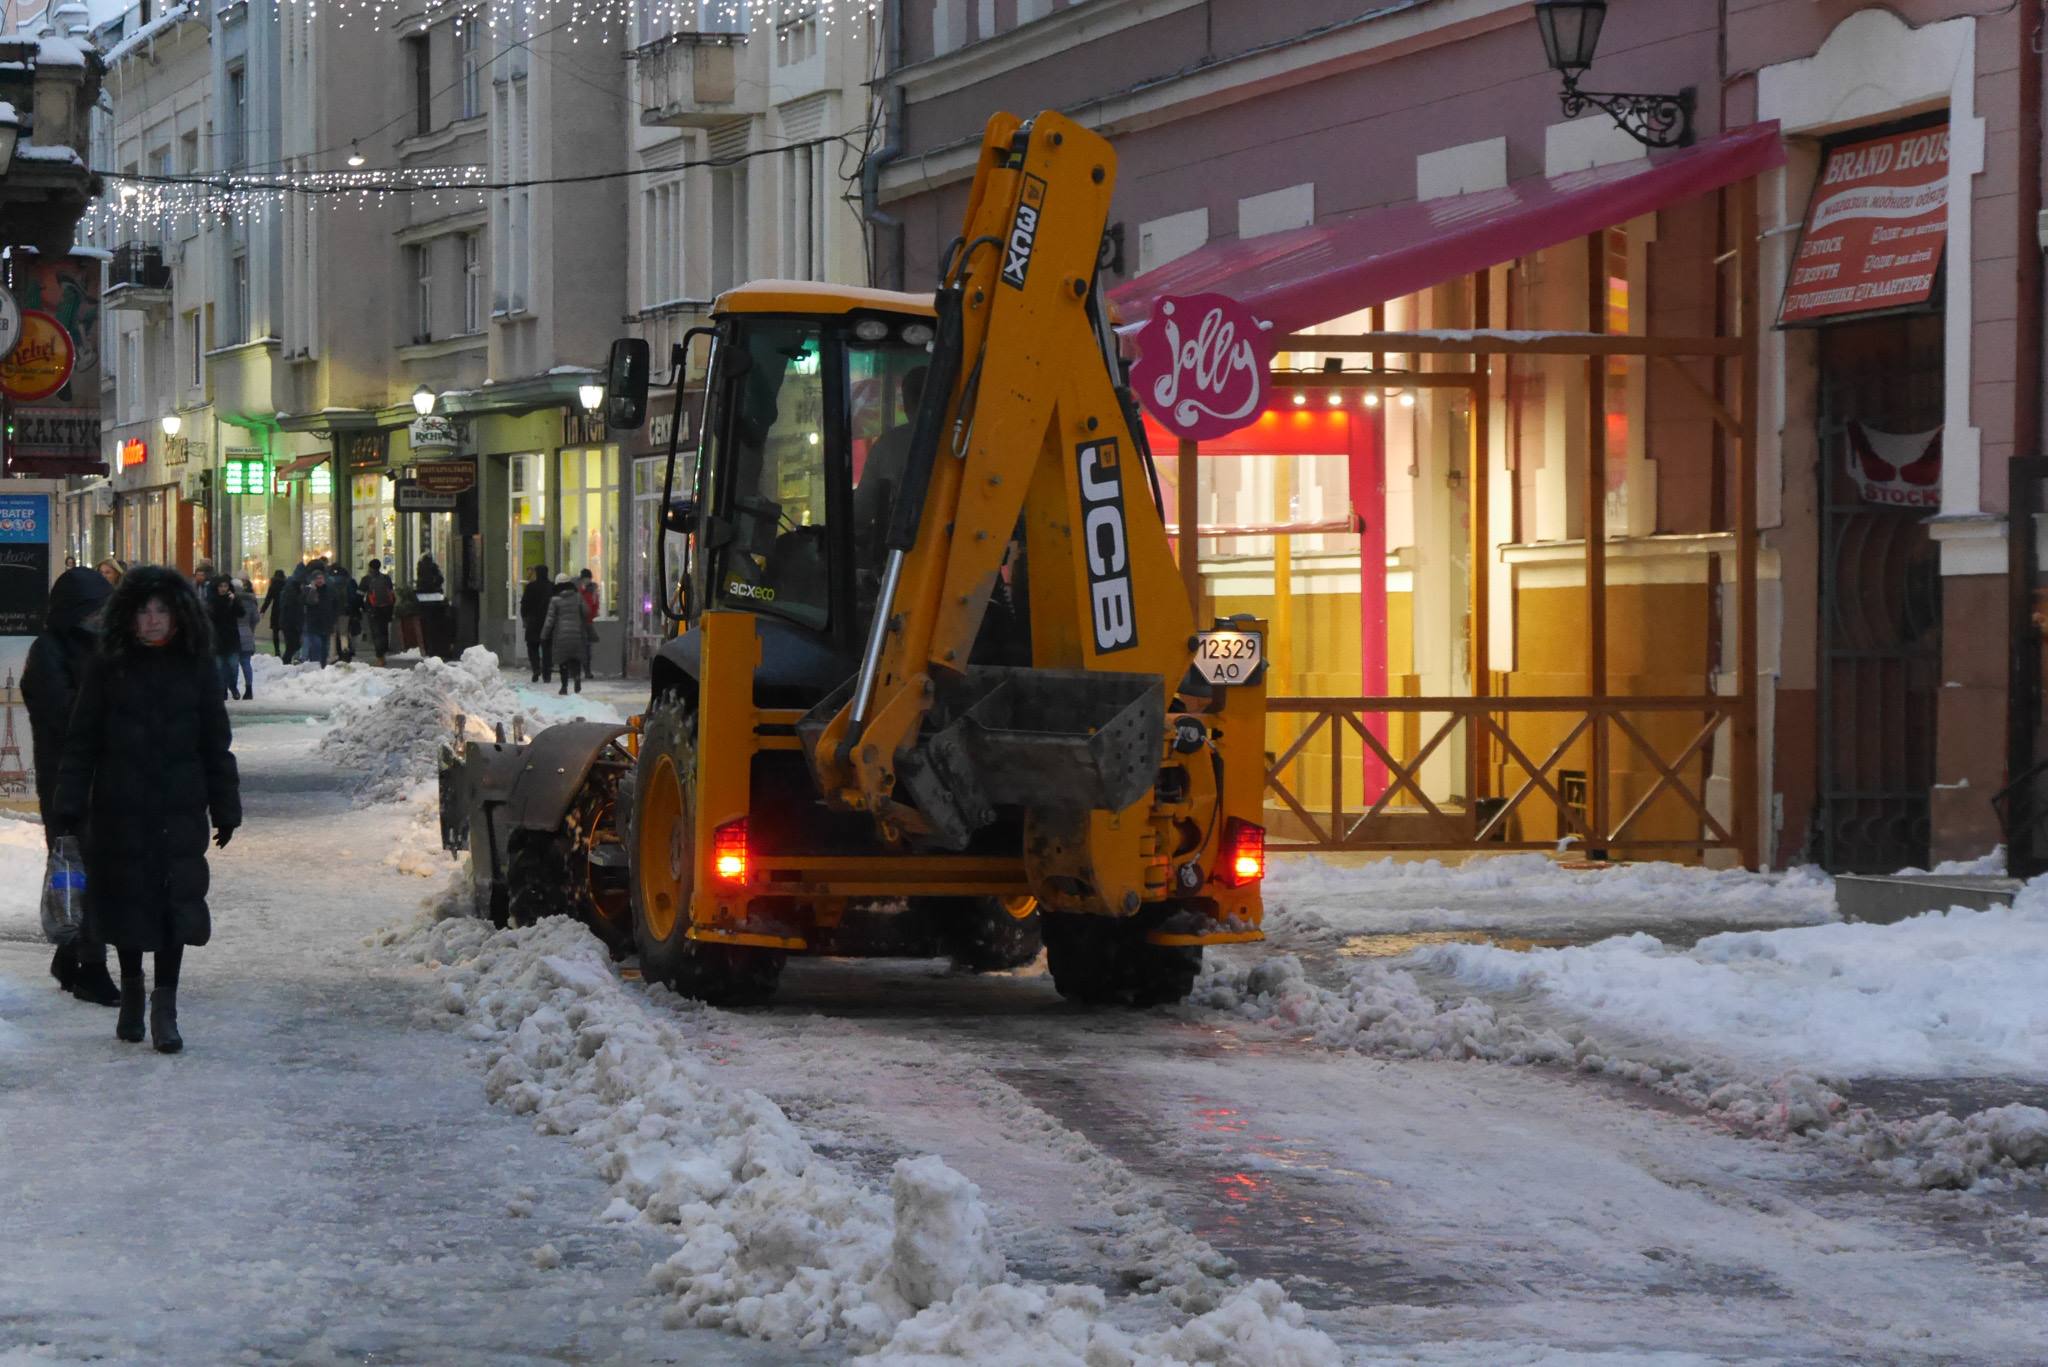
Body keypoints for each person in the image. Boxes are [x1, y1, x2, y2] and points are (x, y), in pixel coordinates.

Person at [53, 565, 241, 1053]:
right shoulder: (108, 666)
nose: (153, 620)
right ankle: (133, 992)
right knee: (128, 901)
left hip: (178, 807)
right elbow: (82, 741)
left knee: (174, 904)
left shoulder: (196, 667)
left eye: (162, 610)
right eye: (143, 611)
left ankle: (166, 1006)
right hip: (120, 806)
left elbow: (215, 745)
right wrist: (69, 803)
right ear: (128, 617)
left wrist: (226, 808)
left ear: (179, 615)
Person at [20, 567, 121, 1008]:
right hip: (66, 781)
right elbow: (64, 717)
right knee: (83, 872)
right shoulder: (48, 652)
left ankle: (70, 954)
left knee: (92, 871)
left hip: (107, 777)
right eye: (93, 610)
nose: (100, 617)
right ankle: (93, 970)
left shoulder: (102, 648)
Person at [541, 572, 595, 695]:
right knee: (575, 658)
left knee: (563, 661)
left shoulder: (555, 600)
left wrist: (544, 635)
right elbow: (586, 611)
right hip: (577, 633)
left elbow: (550, 620)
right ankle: (576, 677)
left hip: (561, 635)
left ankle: (564, 686)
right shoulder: (578, 597)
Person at [206, 574, 243, 699]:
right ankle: (222, 690)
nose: (223, 588)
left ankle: (233, 686)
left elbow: (241, 613)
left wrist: (234, 601)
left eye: (225, 586)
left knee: (233, 666)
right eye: (221, 586)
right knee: (220, 667)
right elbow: (209, 617)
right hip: (217, 639)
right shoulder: (211, 601)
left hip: (232, 638)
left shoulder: (232, 599)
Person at [299, 560, 339, 668]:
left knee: (325, 648)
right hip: (314, 624)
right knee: (316, 646)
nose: (319, 580)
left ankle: (323, 667)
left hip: (326, 623)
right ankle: (315, 667)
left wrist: (334, 620)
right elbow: (308, 602)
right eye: (317, 579)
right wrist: (313, 590)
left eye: (321, 578)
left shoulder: (330, 590)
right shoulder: (309, 590)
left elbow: (335, 605)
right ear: (313, 580)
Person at [519, 563, 554, 683]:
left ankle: (536, 668)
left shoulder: (531, 587)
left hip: (533, 622)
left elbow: (524, 604)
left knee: (532, 646)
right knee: (547, 649)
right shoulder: (551, 587)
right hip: (548, 622)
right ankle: (547, 674)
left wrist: (524, 618)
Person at [360, 558, 396, 664]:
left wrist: (362, 607)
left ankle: (380, 656)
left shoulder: (366, 579)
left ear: (370, 567)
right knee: (384, 631)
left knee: (376, 632)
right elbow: (392, 594)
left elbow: (360, 594)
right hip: (386, 608)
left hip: (373, 609)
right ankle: (383, 652)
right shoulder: (386, 578)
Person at [234, 577, 261, 700]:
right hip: (247, 634)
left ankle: (232, 688)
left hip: (231, 635)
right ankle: (249, 689)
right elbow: (256, 618)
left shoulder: (230, 601)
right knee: (246, 663)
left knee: (232, 664)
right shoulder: (250, 602)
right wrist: (250, 629)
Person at [330, 562, 359, 664]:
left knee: (332, 634)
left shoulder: (329, 581)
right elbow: (353, 596)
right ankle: (345, 651)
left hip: (332, 611)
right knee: (344, 633)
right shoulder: (349, 581)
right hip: (345, 611)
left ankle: (333, 654)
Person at [260, 568, 290, 657]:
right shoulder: (287, 585)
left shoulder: (272, 586)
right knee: (285, 631)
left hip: (275, 610)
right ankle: (287, 649)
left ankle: (277, 651)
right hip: (284, 610)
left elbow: (268, 599)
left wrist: (262, 610)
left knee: (275, 632)